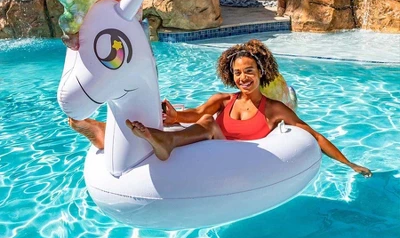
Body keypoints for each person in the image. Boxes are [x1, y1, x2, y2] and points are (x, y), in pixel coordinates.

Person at [70, 39, 372, 177]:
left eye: (249, 71)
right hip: (206, 144)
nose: (243, 78)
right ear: (231, 75)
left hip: (233, 160)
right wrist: (175, 116)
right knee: (193, 120)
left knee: (209, 124)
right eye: (238, 73)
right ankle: (105, 132)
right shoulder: (224, 100)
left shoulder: (274, 109)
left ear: (261, 72)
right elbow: (195, 113)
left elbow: (313, 135)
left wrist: (350, 164)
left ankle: (163, 140)